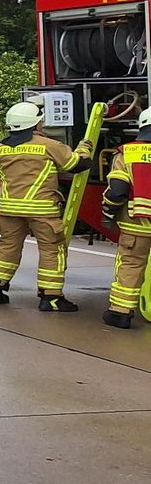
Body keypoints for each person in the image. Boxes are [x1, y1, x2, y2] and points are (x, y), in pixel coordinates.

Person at [0, 101, 93, 311]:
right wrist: (84, 147)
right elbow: (76, 165)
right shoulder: (48, 145)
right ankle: (50, 298)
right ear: (34, 124)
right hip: (41, 210)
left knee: (8, 246)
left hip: (9, 209)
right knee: (52, 250)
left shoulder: (2, 148)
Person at [98, 108, 151, 329]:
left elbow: (117, 190)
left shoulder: (126, 153)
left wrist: (108, 213)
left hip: (137, 224)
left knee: (131, 264)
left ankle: (120, 313)